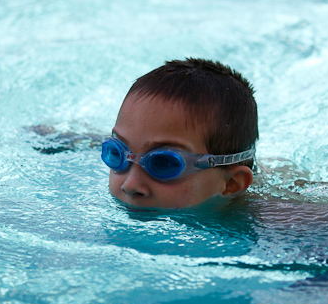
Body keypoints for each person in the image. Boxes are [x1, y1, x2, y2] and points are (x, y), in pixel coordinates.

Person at [101, 58, 258, 209]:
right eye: (117, 153)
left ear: (231, 184)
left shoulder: (269, 226)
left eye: (164, 162)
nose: (129, 185)